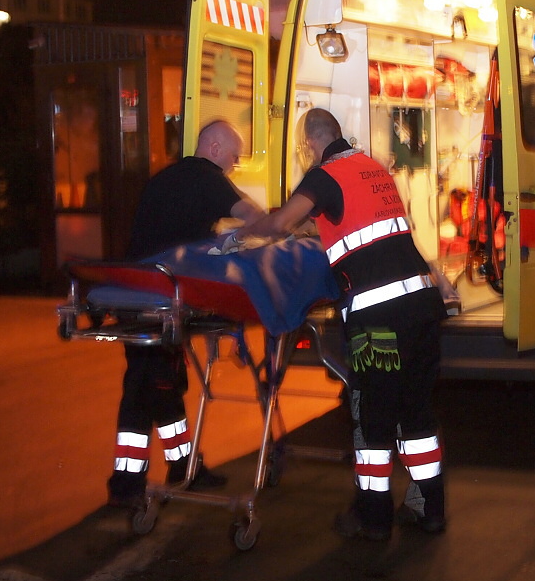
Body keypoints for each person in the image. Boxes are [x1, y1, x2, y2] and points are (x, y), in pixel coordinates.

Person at [244, 108, 447, 540]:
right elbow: (359, 228)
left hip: (379, 318)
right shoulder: (371, 168)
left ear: (310, 144)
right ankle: (430, 510)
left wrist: (244, 233)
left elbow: (281, 223)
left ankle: (373, 520)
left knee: (373, 419)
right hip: (422, 307)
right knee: (416, 414)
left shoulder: (323, 176)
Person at [107, 120, 266, 509]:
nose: (234, 165)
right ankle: (125, 484)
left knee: (162, 381)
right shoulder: (208, 178)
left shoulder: (165, 179)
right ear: (214, 148)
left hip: (136, 291)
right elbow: (253, 216)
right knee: (145, 385)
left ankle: (184, 466)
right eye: (234, 157)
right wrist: (284, 229)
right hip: (163, 296)